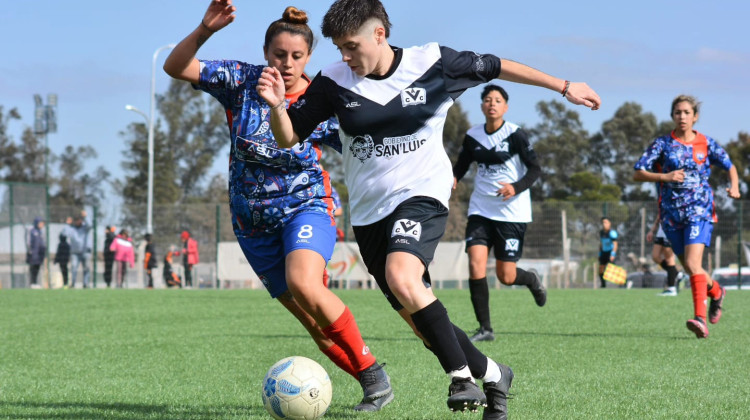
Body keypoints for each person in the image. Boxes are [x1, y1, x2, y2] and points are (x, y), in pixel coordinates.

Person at [256, 0, 601, 416]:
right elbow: (289, 136)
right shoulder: (332, 80)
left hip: (423, 195)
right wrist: (277, 106)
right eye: (339, 48)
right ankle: (495, 375)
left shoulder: (433, 62)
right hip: (368, 214)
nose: (344, 56)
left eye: (350, 46)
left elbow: (496, 66)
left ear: (379, 34)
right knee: (420, 319)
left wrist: (563, 86)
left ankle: (460, 377)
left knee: (402, 276)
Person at [163, 1, 393, 411]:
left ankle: (375, 374)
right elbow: (176, 67)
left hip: (307, 207)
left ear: (309, 57)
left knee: (306, 284)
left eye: (297, 56)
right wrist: (204, 29)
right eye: (279, 54)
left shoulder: (323, 97)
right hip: (252, 225)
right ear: (266, 53)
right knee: (314, 325)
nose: (287, 64)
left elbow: (368, 147)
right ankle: (372, 382)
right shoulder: (241, 81)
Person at [634, 94, 740, 339]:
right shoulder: (662, 144)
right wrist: (664, 177)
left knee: (693, 265)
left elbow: (730, 165)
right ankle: (717, 292)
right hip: (671, 216)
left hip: (699, 211)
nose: (682, 116)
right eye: (677, 112)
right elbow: (638, 172)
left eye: (686, 112)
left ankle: (700, 320)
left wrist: (734, 186)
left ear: (695, 116)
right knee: (693, 269)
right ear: (672, 116)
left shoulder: (706, 143)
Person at [452, 84, 546, 343]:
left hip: (511, 214)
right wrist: (453, 179)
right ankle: (485, 329)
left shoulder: (516, 134)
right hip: (481, 210)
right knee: (475, 264)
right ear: (482, 105)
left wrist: (514, 187)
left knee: (506, 276)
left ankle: (531, 279)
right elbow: (460, 167)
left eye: (497, 100)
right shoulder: (472, 135)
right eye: (487, 100)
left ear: (505, 106)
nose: (492, 104)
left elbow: (535, 169)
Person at [646, 215, 684, 296]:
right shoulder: (662, 202)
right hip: (661, 228)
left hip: (671, 227)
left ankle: (671, 288)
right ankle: (677, 274)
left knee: (669, 258)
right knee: (655, 256)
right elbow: (660, 214)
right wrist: (652, 230)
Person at [63, 210, 92, 289]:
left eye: (79, 220)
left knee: (86, 268)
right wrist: (67, 224)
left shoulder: (85, 228)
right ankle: (72, 284)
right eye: (76, 220)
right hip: (75, 252)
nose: (78, 222)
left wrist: (86, 216)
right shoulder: (71, 229)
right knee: (74, 267)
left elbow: (90, 225)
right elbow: (64, 233)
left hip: (86, 251)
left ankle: (85, 284)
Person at [597, 217, 618, 288]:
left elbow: (615, 244)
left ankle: (625, 282)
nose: (604, 224)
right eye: (603, 222)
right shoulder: (601, 232)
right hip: (603, 252)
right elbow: (601, 243)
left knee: (613, 270)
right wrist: (599, 254)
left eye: (606, 222)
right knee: (601, 269)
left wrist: (613, 254)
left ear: (609, 223)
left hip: (610, 253)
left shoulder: (612, 233)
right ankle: (603, 285)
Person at [26, 217, 46, 289]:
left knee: (37, 268)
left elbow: (43, 243)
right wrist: (30, 251)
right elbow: (28, 242)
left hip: (39, 254)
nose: (42, 225)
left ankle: (35, 283)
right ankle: (32, 283)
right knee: (33, 269)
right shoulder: (31, 231)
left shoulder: (41, 232)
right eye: (41, 223)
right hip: (33, 254)